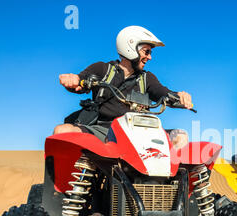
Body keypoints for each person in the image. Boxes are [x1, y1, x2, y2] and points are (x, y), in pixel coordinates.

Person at [54, 25, 191, 148]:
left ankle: (173, 177)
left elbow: (161, 92)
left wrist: (179, 96)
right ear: (130, 47)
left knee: (180, 137)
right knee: (62, 131)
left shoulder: (146, 78)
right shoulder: (102, 69)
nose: (149, 57)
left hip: (138, 133)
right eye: (146, 52)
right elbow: (82, 80)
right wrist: (74, 79)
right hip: (103, 131)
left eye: (150, 53)